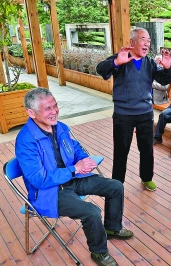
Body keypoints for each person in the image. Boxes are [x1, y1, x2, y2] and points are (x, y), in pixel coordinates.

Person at [15, 88, 134, 266]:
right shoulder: (25, 141)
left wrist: (83, 159)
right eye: (47, 108)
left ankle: (112, 228)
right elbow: (38, 179)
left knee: (115, 186)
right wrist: (74, 169)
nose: (54, 111)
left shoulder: (60, 127)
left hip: (72, 179)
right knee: (91, 212)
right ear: (31, 112)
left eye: (55, 106)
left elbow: (75, 147)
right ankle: (99, 252)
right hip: (50, 192)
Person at [96, 27, 171, 191]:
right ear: (132, 42)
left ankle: (146, 177)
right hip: (123, 114)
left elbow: (164, 80)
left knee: (147, 149)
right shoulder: (122, 58)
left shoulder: (150, 62)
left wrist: (167, 68)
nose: (147, 44)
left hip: (145, 113)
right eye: (143, 39)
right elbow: (101, 69)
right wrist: (116, 62)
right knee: (121, 150)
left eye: (149, 41)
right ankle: (117, 182)